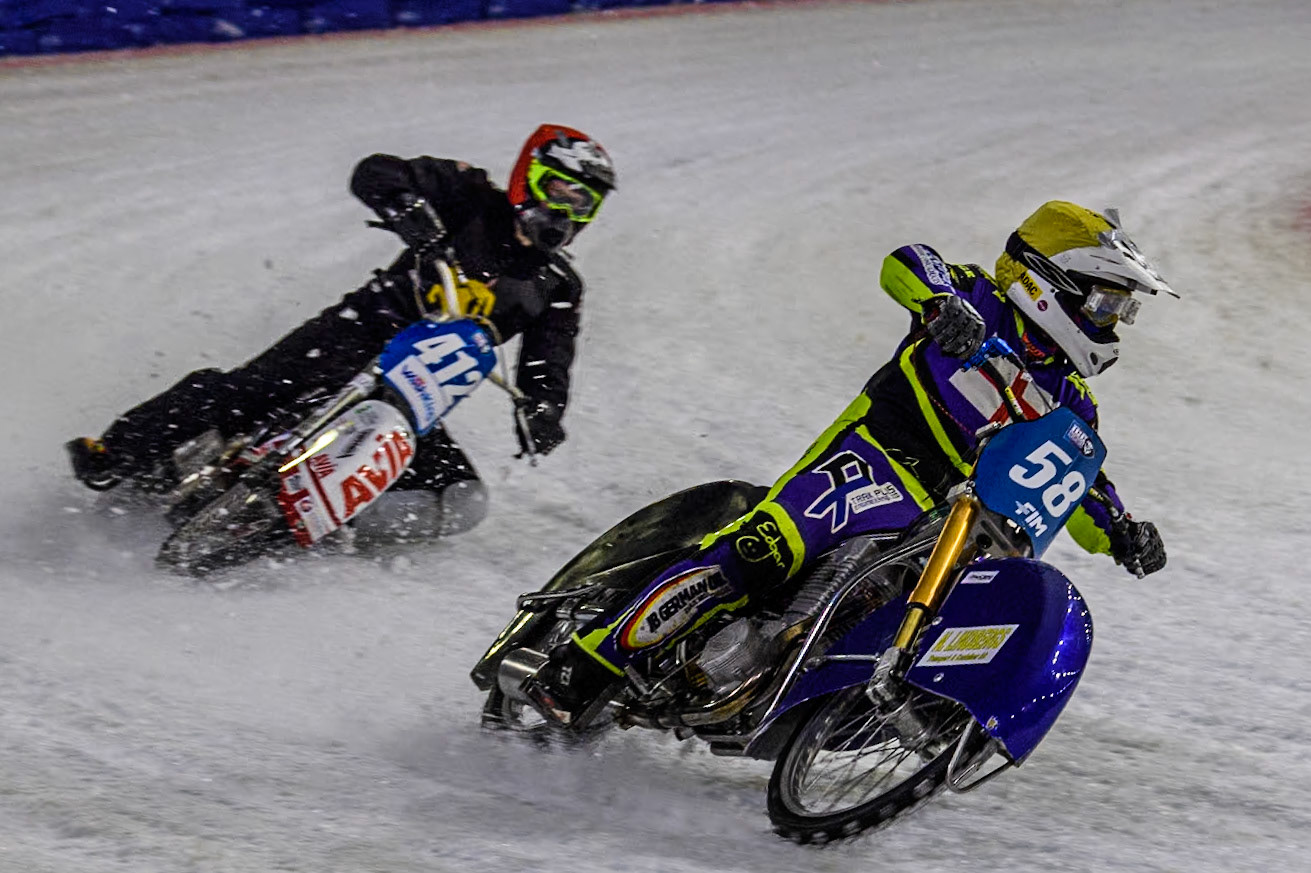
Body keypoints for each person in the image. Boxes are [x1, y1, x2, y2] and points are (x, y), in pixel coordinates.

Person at [522, 200, 1175, 727]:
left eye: (1121, 309)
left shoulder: (1073, 402)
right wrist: (939, 305)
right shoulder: (979, 298)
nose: (1113, 322)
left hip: (944, 522)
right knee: (762, 549)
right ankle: (587, 663)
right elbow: (910, 262)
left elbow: (1079, 479)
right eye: (1105, 302)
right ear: (1050, 283)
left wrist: (1120, 529)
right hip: (874, 459)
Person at [67, 123, 617, 532]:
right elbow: (376, 170)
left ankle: (319, 524)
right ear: (528, 179)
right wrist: (405, 206)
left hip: (413, 397)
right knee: (249, 391)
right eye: (559, 191)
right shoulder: (468, 196)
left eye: (582, 203)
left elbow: (548, 362)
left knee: (459, 498)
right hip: (359, 332)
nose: (565, 211)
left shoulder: (558, 286)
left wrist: (544, 410)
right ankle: (117, 451)